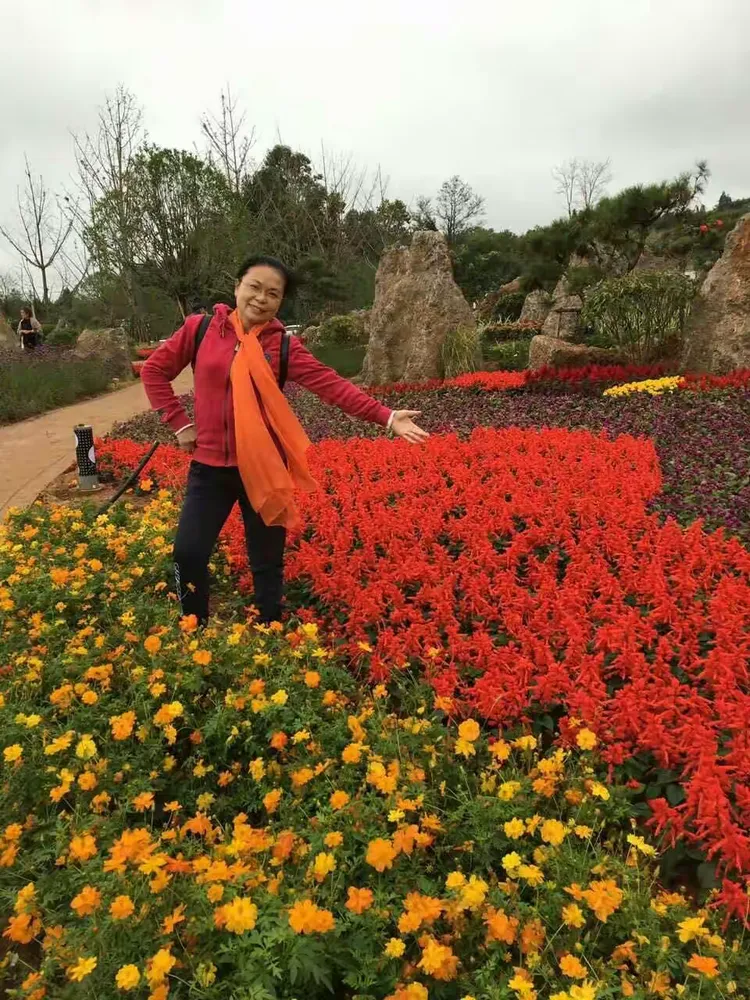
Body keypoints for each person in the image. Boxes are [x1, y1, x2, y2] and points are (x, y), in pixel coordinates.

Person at [142, 255, 429, 626]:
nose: (261, 298)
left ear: (280, 303)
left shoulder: (283, 348)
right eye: (255, 287)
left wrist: (387, 416)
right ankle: (192, 627)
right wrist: (179, 424)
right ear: (237, 287)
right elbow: (153, 372)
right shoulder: (199, 330)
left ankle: (270, 633)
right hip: (210, 469)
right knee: (188, 552)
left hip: (263, 467)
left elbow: (333, 386)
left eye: (273, 294)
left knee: (266, 562)